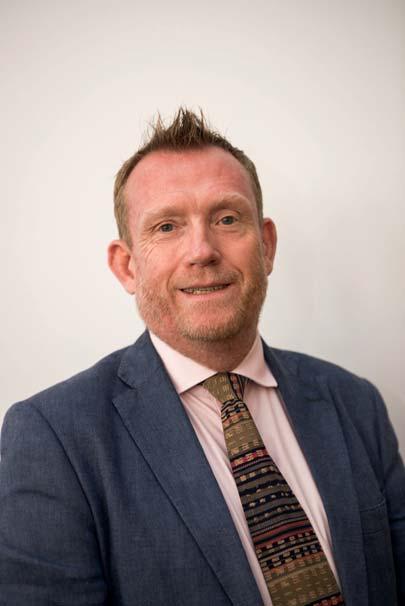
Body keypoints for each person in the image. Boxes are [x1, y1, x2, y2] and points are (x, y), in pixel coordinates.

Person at [0, 108, 404, 606]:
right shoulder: (53, 437)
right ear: (127, 267)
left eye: (227, 218)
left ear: (267, 246)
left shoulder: (355, 403)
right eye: (167, 226)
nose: (202, 251)